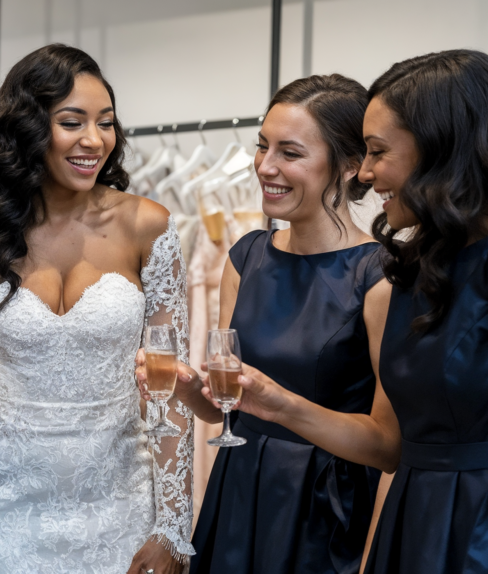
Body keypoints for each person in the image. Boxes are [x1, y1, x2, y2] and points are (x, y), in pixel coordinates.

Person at [233, 49, 488, 573]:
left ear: (439, 152)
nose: (368, 172)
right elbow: (396, 443)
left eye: (379, 152)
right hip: (416, 524)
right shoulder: (425, 260)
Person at [0, 44, 193, 574]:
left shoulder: (147, 226)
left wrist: (172, 526)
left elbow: (171, 394)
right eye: (72, 122)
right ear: (28, 129)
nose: (95, 140)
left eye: (106, 123)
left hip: (120, 502)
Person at [138, 74, 393, 574]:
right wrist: (188, 387)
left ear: (347, 167)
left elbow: (388, 445)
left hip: (324, 510)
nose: (265, 167)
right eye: (261, 147)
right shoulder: (246, 256)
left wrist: (284, 406)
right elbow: (224, 412)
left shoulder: (379, 276)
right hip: (239, 488)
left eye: (290, 153)